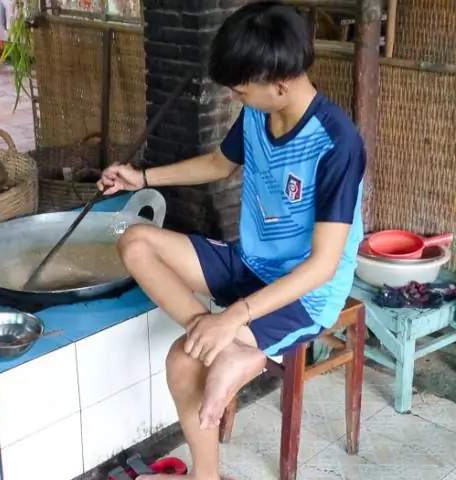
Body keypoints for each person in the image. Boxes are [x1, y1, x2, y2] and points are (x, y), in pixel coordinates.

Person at [97, 2, 365, 479]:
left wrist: (236, 317)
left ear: (279, 82)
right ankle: (233, 346)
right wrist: (142, 179)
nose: (239, 99)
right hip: (249, 262)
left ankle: (207, 473)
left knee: (183, 361)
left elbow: (323, 266)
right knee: (137, 241)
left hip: (305, 292)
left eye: (243, 91)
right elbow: (219, 165)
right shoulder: (261, 114)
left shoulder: (336, 143)